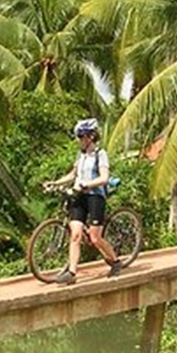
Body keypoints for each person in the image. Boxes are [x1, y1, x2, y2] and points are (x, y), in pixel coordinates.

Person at [43, 118, 121, 284]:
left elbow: (104, 177)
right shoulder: (81, 155)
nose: (79, 140)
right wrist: (55, 183)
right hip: (79, 196)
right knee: (76, 235)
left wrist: (87, 184)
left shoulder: (101, 155)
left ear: (90, 137)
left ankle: (115, 261)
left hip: (95, 197)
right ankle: (71, 273)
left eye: (81, 136)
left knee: (95, 238)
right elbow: (73, 175)